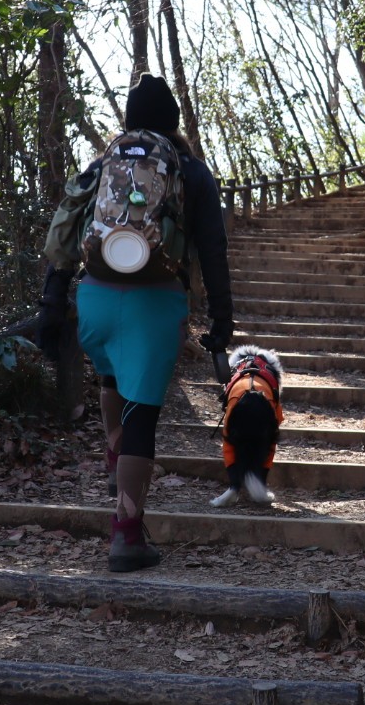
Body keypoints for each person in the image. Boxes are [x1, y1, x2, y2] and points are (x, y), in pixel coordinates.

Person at [37, 75, 233, 572]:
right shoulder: (189, 170)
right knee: (142, 413)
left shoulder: (104, 165)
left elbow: (66, 224)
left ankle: (114, 462)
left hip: (95, 296)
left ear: (129, 120)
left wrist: (53, 297)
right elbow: (212, 249)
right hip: (155, 301)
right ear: (172, 121)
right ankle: (126, 534)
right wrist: (222, 319)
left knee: (111, 376)